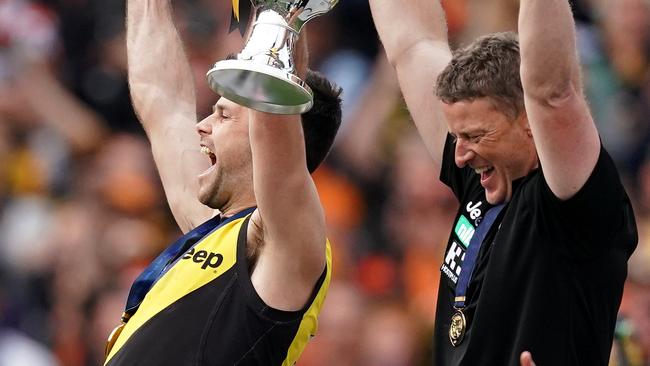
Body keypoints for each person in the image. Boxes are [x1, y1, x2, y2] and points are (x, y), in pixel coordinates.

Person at [369, 0, 638, 365]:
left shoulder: (571, 201)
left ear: (530, 123)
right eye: (457, 136)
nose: (459, 155)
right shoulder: (483, 177)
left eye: (476, 136)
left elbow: (553, 92)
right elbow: (413, 43)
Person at [103, 1, 342, 365]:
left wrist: (279, 13)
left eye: (223, 114)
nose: (202, 125)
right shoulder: (214, 227)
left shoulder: (285, 244)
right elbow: (160, 98)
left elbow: (272, 108)